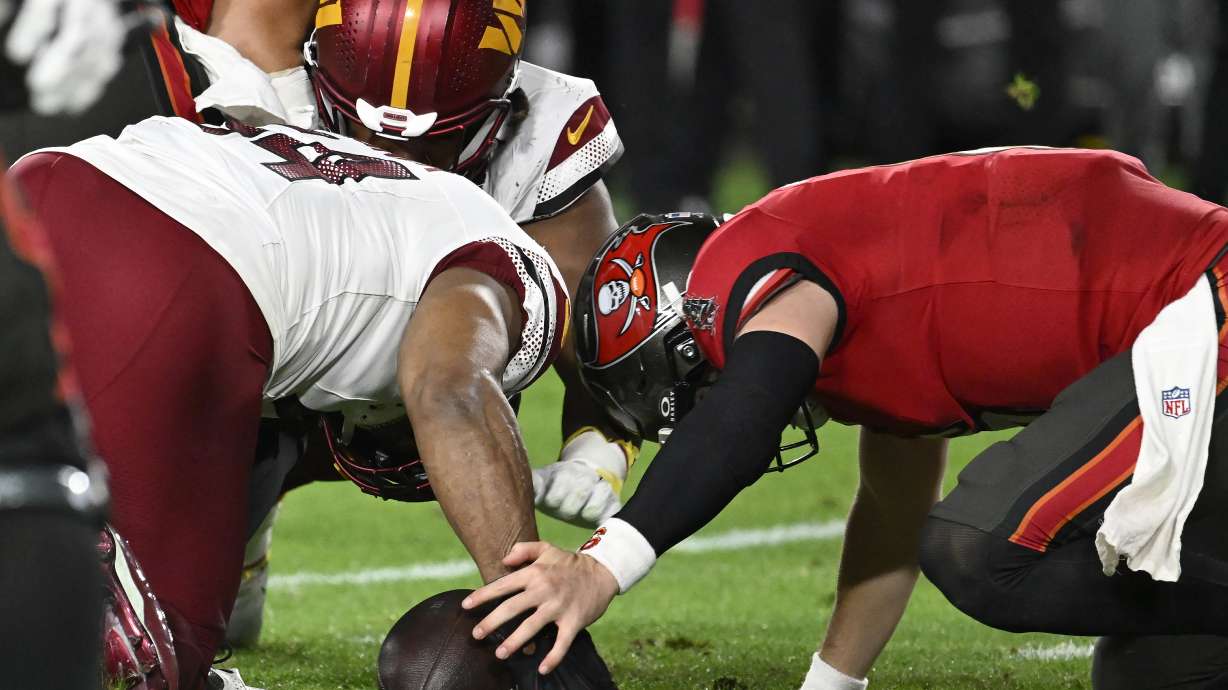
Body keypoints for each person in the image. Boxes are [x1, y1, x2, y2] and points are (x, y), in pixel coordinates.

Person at [462, 147, 1228, 689]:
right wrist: (831, 684)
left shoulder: (755, 259)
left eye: (686, 405)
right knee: (1165, 666)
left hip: (1203, 306)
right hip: (1184, 340)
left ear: (690, 335)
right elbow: (891, 521)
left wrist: (600, 568)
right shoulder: (864, 314)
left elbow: (747, 411)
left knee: (980, 549)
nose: (694, 423)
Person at [8, 114, 614, 690]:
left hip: (45, 180)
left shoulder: (399, 205)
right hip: (163, 260)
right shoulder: (524, 278)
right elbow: (449, 389)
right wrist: (533, 618)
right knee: (157, 653)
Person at [219, 0, 633, 649]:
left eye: (430, 141)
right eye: (364, 130)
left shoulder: (545, 126)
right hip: (284, 368)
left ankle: (527, 618)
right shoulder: (249, 85)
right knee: (203, 608)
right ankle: (238, 529)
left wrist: (598, 446)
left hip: (455, 373)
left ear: (504, 102)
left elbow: (602, 330)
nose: (390, 156)